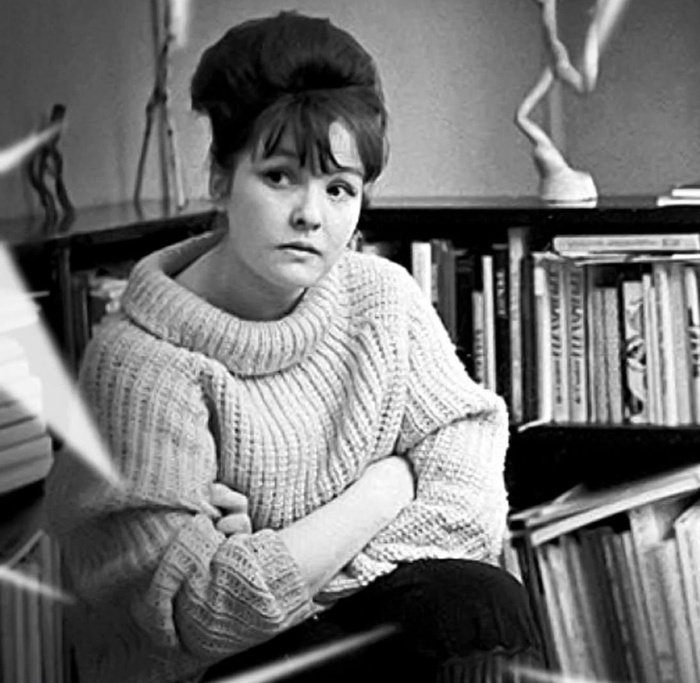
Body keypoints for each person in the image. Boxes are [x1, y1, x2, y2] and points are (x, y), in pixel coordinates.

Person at [45, 10, 544, 683]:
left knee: (476, 602)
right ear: (221, 178)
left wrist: (283, 556)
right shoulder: (142, 366)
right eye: (280, 176)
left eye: (339, 188)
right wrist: (386, 487)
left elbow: (472, 505)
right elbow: (198, 615)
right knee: (467, 611)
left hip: (337, 632)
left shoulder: (381, 300)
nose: (311, 214)